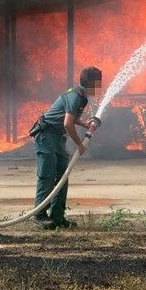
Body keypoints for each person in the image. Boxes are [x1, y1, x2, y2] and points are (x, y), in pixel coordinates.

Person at [31, 66, 102, 230]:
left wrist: (85, 123)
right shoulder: (75, 96)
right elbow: (67, 123)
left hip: (57, 138)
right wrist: (79, 144)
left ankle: (57, 217)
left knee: (63, 176)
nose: (99, 87)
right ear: (90, 83)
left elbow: (72, 118)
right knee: (47, 176)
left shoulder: (81, 97)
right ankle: (40, 215)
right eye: (97, 83)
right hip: (46, 135)